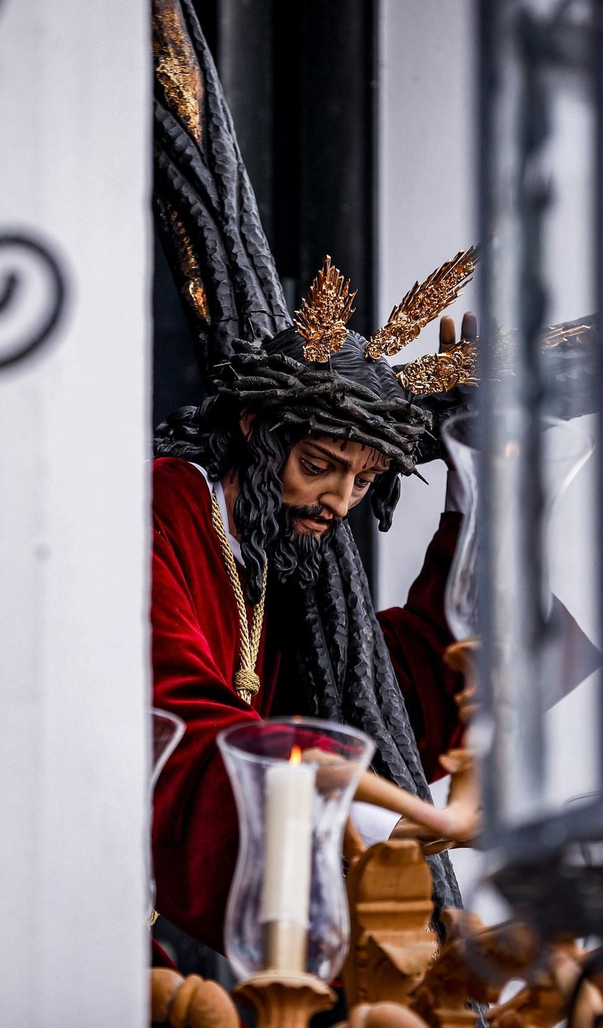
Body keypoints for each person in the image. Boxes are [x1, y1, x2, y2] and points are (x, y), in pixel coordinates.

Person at [149, 254, 479, 956]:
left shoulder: (277, 558)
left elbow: (391, 698)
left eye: (363, 480)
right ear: (252, 425)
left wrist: (478, 477)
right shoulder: (162, 506)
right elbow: (168, 704)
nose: (338, 502)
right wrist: (397, 813)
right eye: (318, 465)